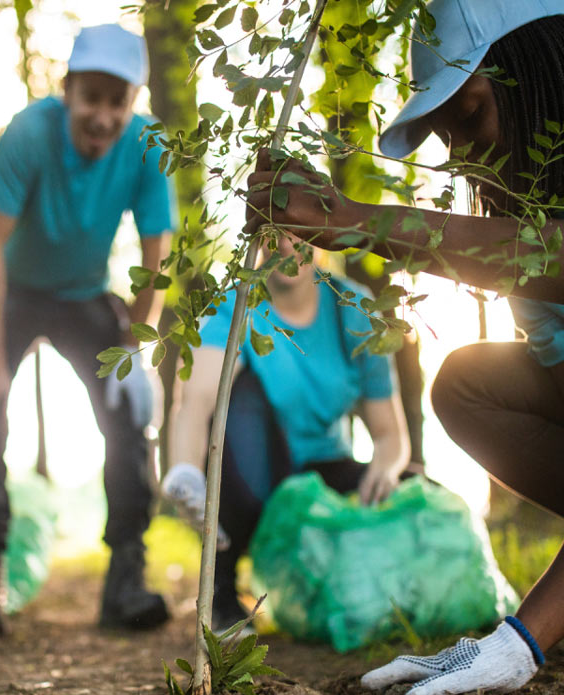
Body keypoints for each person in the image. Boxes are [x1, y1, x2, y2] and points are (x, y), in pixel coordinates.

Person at [246, 0, 564, 695]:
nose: (466, 157)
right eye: (447, 138)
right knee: (469, 386)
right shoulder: (538, 253)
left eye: (471, 116)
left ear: (540, 59)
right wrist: (516, 644)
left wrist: (358, 222)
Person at [0, 24, 176, 635]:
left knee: (129, 420)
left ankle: (126, 579)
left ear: (133, 102)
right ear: (67, 90)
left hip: (83, 296)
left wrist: (135, 346)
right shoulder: (28, 134)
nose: (104, 116)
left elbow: (158, 254)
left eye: (119, 101)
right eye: (92, 98)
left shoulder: (148, 145)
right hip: (13, 291)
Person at [163, 234, 410, 633]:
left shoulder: (355, 310)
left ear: (324, 234)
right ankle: (222, 591)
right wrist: (186, 470)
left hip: (320, 471)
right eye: (272, 232)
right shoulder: (236, 305)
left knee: (417, 486)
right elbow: (195, 403)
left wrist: (385, 469)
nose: (285, 245)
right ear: (254, 238)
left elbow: (389, 435)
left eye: (300, 232)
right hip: (255, 475)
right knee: (239, 389)